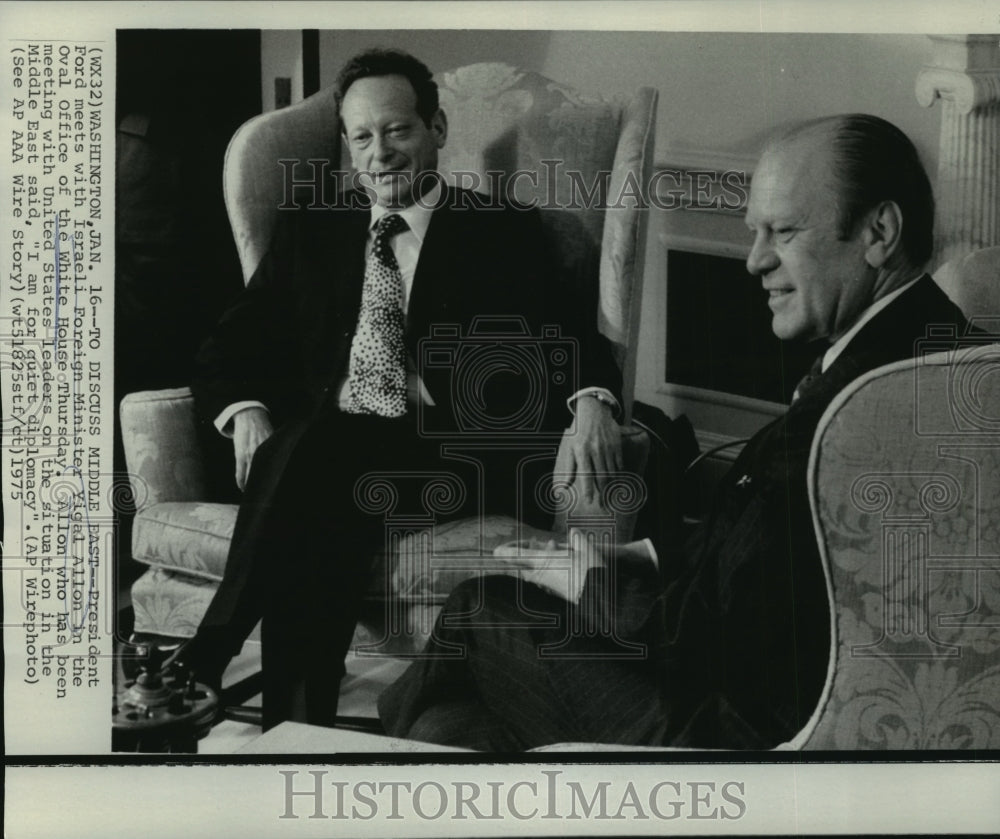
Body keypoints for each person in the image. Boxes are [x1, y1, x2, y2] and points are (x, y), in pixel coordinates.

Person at [377, 113, 973, 750]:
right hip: (815, 708)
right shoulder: (944, 352)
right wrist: (637, 555)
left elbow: (704, 643)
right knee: (457, 722)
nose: (755, 261)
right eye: (753, 233)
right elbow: (776, 571)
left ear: (879, 231)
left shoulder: (845, 416)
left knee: (480, 608)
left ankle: (373, 757)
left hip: (738, 739)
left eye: (784, 232)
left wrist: (581, 582)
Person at [176, 48, 623, 728]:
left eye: (397, 131)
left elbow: (572, 338)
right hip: (334, 454)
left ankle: (203, 662)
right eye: (361, 137)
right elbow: (228, 344)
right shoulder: (314, 228)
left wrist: (592, 402)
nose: (378, 153)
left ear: (436, 130)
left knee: (310, 458)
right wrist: (245, 412)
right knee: (320, 480)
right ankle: (299, 728)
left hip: (450, 455)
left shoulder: (500, 230)